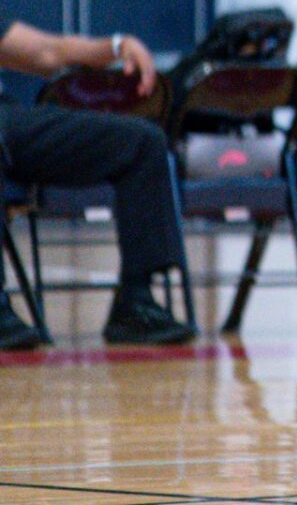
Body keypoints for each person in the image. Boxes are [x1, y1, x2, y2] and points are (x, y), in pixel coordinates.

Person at [0, 18, 197, 349]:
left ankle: (136, 301)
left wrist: (118, 46)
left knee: (142, 142)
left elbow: (47, 53)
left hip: (10, 121)